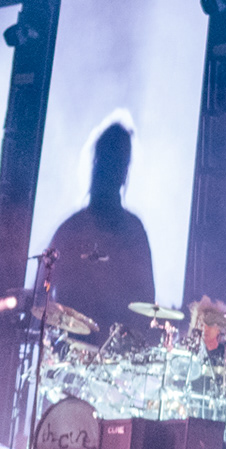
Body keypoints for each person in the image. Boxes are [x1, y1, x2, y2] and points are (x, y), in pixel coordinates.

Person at [45, 122, 156, 335]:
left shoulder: (132, 232)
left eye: (118, 163)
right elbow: (44, 292)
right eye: (110, 162)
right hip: (71, 344)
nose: (114, 171)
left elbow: (146, 303)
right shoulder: (71, 230)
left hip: (116, 348)